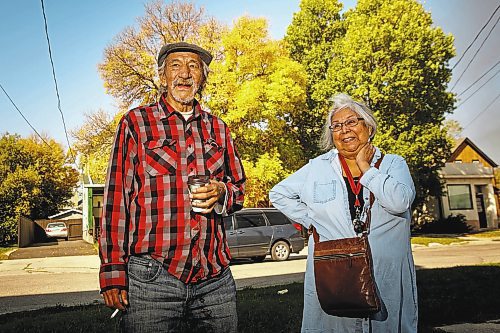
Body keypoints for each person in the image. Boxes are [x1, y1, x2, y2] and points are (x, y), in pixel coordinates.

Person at [99, 42, 246, 333]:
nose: (184, 73)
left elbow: (238, 189)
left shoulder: (219, 128)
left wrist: (222, 193)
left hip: (214, 276)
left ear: (203, 77)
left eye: (193, 66)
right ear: (162, 76)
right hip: (152, 277)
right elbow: (117, 199)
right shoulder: (136, 123)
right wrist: (113, 272)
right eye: (175, 65)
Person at [269, 93, 417, 332]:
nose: (344, 130)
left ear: (368, 126)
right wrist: (312, 220)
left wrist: (366, 169)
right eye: (336, 126)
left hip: (383, 275)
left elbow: (399, 202)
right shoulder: (318, 167)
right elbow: (278, 194)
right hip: (336, 272)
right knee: (335, 325)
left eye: (351, 122)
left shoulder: (392, 164)